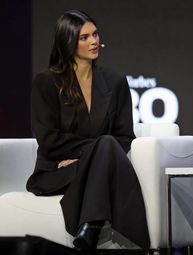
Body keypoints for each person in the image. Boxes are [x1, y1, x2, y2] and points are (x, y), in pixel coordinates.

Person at [26, 10, 150, 250]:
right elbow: (49, 140)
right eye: (84, 37)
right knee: (105, 144)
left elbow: (124, 137)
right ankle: (122, 238)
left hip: (84, 167)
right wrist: (93, 154)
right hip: (58, 171)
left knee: (107, 144)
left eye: (95, 34)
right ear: (68, 42)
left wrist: (84, 157)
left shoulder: (115, 81)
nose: (94, 41)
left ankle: (90, 226)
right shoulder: (47, 82)